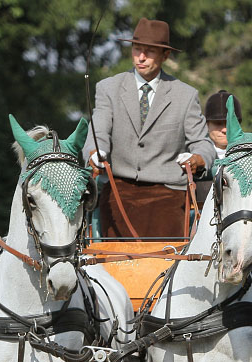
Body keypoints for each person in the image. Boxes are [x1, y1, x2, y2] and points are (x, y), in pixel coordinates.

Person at [84, 17, 216, 238]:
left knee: (163, 264)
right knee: (115, 264)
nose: (141, 57)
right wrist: (95, 153)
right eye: (137, 49)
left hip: (168, 195)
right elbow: (98, 130)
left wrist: (199, 159)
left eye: (150, 51)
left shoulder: (185, 95)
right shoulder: (108, 88)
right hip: (118, 191)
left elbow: (202, 143)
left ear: (166, 55)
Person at [196, 90, 243, 204]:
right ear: (207, 124)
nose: (224, 129)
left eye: (229, 124)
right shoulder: (195, 154)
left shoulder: (249, 154)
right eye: (218, 123)